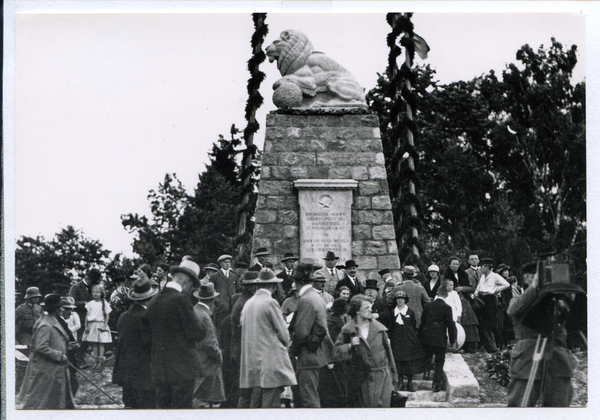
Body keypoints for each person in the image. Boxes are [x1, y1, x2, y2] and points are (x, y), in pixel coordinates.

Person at [506, 262, 584, 407]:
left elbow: (575, 322)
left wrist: (568, 298)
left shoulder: (559, 302)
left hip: (557, 358)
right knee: (520, 406)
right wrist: (534, 288)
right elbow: (513, 310)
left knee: (559, 407)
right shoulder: (518, 299)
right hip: (528, 358)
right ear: (527, 278)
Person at [145, 257, 205, 409]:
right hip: (182, 370)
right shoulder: (181, 301)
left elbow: (147, 336)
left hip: (159, 370)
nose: (190, 291)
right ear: (187, 282)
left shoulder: (153, 301)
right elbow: (196, 333)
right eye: (191, 287)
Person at [239, 268, 297, 408]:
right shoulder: (270, 302)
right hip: (270, 361)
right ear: (272, 286)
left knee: (256, 403)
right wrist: (286, 346)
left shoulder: (248, 303)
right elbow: (283, 332)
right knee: (270, 404)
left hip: (253, 362)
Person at [333, 295, 397, 407]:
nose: (370, 310)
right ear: (357, 310)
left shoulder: (379, 329)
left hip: (382, 377)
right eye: (366, 307)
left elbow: (389, 354)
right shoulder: (348, 330)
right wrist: (350, 345)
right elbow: (336, 353)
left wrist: (394, 376)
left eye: (370, 307)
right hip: (361, 379)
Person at [17, 294, 77, 409]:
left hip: (53, 370)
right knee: (41, 403)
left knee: (55, 402)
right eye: (61, 307)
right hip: (47, 372)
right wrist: (59, 355)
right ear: (56, 309)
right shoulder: (45, 325)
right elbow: (41, 347)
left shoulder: (52, 321)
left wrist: (66, 346)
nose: (63, 309)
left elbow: (53, 341)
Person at [289, 263, 334, 408]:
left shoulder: (306, 299)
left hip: (308, 355)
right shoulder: (315, 297)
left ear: (299, 282)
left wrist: (293, 350)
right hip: (316, 354)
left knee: (309, 400)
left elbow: (301, 332)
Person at [112, 277, 158, 409]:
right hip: (145, 376)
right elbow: (150, 345)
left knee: (130, 408)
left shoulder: (123, 317)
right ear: (150, 298)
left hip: (127, 374)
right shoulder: (147, 317)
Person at [418, 285, 457, 392]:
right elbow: (451, 326)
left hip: (427, 338)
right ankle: (436, 384)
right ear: (446, 295)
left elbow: (422, 323)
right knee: (440, 361)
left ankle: (426, 373)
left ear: (437, 293)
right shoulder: (447, 308)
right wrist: (453, 340)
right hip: (440, 339)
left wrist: (420, 337)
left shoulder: (428, 306)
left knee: (427, 356)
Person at [192, 283, 226, 408]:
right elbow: (210, 344)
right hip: (207, 365)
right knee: (202, 400)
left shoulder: (195, 311)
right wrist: (220, 356)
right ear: (213, 299)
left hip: (197, 362)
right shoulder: (204, 316)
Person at [230, 270, 259, 408]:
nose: (257, 288)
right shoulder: (245, 303)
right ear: (248, 286)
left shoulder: (244, 301)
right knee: (247, 393)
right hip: (244, 352)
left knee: (246, 392)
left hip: (242, 351)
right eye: (255, 285)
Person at [389, 290, 424, 392]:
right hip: (397, 341)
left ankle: (409, 383)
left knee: (410, 362)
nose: (400, 301)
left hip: (409, 341)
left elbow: (413, 325)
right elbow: (391, 326)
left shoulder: (410, 312)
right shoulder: (393, 312)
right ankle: (400, 382)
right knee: (398, 362)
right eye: (398, 299)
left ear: (405, 300)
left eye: (402, 299)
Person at [444, 256, 480, 353]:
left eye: (457, 264)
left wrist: (462, 288)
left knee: (468, 321)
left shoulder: (463, 274)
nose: (455, 266)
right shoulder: (445, 275)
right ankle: (456, 343)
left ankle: (470, 345)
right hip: (451, 298)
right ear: (449, 264)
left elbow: (470, 288)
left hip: (464, 299)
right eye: (453, 264)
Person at [475, 258, 510, 353]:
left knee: (493, 325)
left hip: (490, 300)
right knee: (483, 323)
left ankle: (502, 344)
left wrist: (494, 290)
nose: (480, 268)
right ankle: (488, 346)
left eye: (482, 266)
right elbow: (479, 286)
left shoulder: (495, 276)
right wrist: (476, 294)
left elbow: (506, 284)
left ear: (487, 267)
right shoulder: (482, 276)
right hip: (482, 299)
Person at [69, 267, 102, 367]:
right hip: (80, 319)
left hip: (90, 319)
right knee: (80, 340)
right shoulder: (76, 287)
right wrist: (85, 303)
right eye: (93, 281)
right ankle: (78, 361)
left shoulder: (93, 287)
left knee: (87, 340)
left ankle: (79, 359)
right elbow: (71, 302)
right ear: (87, 278)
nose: (94, 284)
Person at [320, 298, 349, 407]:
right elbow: (330, 341)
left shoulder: (331, 320)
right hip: (335, 359)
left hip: (332, 359)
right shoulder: (336, 322)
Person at [82, 284, 112, 369]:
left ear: (101, 293)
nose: (95, 294)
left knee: (101, 344)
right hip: (92, 325)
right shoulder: (90, 303)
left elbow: (107, 315)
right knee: (94, 344)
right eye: (94, 292)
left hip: (101, 325)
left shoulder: (104, 303)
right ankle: (95, 362)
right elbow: (87, 316)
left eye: (97, 292)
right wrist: (86, 326)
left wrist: (105, 325)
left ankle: (100, 363)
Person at [210, 254, 239, 336]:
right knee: (220, 327)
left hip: (232, 305)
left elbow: (237, 289)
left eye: (229, 262)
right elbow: (211, 291)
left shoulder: (234, 276)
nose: (227, 264)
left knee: (231, 327)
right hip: (221, 306)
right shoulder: (215, 276)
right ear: (221, 264)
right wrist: (217, 301)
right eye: (225, 262)